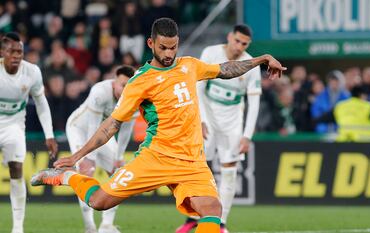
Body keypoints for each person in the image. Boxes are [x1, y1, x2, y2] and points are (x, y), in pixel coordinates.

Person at [31, 18, 286, 233]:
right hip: (156, 157)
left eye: (173, 47)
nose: (168, 54)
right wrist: (76, 156)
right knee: (99, 202)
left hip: (192, 163)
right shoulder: (140, 81)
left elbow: (226, 69)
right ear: (151, 43)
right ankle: (66, 177)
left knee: (213, 210)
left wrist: (261, 59)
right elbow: (112, 125)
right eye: (163, 47)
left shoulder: (189, 66)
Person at [176, 24, 261, 233]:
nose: (239, 46)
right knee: (197, 170)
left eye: (244, 43)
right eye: (237, 40)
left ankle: (221, 222)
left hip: (232, 123)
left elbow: (254, 102)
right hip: (208, 118)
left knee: (229, 172)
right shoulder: (211, 53)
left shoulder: (251, 65)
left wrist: (247, 135)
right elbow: (199, 87)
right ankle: (191, 219)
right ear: (229, 37)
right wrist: (201, 119)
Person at [66, 65, 136, 233]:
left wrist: (119, 156)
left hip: (103, 134)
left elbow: (126, 130)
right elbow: (93, 125)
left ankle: (107, 225)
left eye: (129, 86)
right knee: (86, 172)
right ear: (114, 83)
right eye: (122, 85)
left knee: (118, 173)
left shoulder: (135, 97)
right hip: (79, 129)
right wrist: (89, 158)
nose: (125, 89)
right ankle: (89, 226)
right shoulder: (100, 91)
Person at [0, 32, 58, 233]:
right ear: (2, 52)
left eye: (20, 52)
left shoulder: (32, 72)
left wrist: (49, 135)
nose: (16, 55)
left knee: (16, 168)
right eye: (12, 51)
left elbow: (42, 103)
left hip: (14, 125)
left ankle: (17, 228)